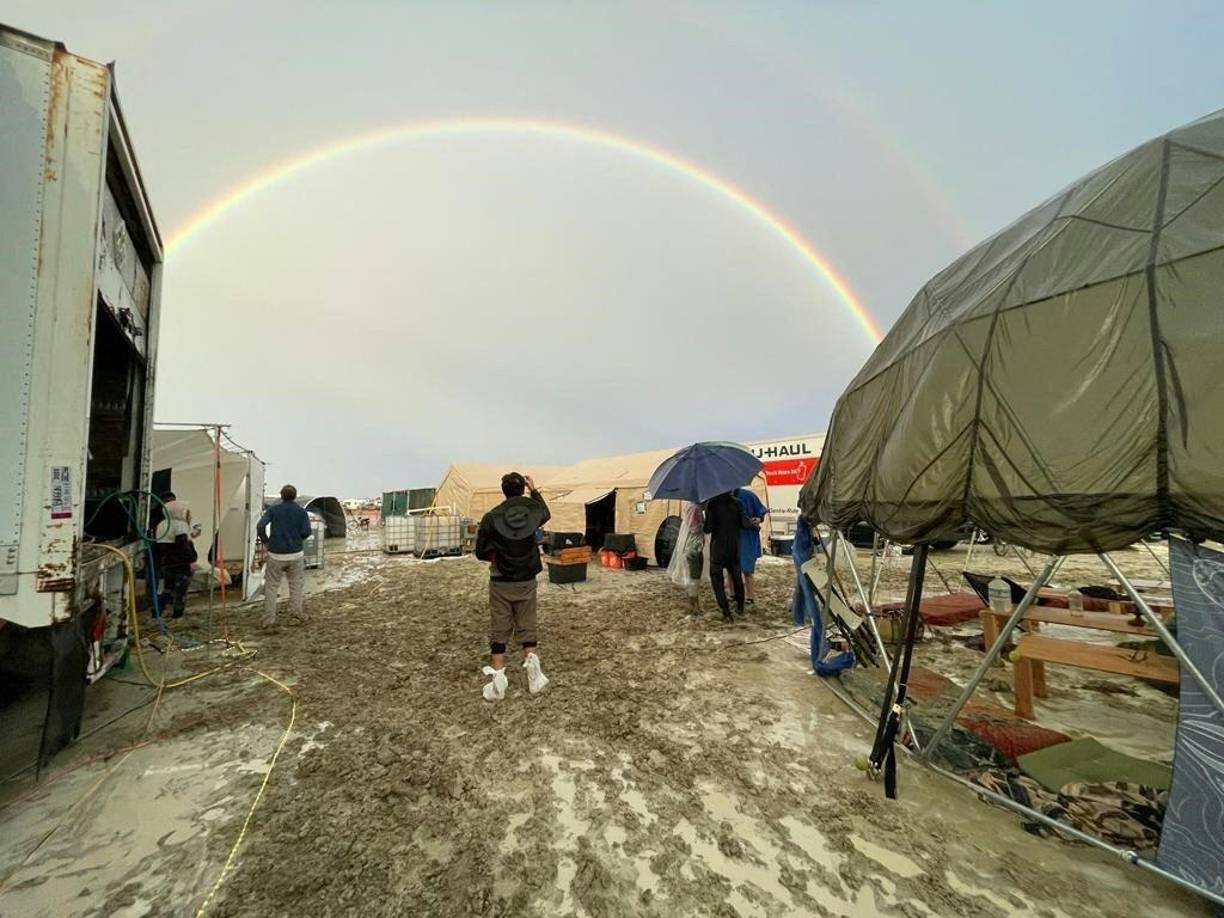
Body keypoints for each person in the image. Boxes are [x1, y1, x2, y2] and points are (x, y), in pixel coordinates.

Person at [474, 473, 551, 701]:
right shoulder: (531, 514)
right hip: (526, 579)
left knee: (499, 629)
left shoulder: (491, 517)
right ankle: (534, 680)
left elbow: (480, 551)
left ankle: (498, 685)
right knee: (528, 626)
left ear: (503, 490)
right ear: (522, 490)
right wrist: (534, 490)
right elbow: (545, 513)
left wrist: (498, 557)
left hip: (500, 581)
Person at [256, 484, 314, 629]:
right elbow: (307, 532)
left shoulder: (273, 510)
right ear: (295, 496)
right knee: (295, 586)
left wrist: (266, 541)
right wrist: (297, 539)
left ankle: (268, 621)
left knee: (271, 587)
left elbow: (260, 526)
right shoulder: (301, 512)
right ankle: (296, 614)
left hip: (276, 554)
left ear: (281, 496)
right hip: (295, 554)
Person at [704, 490, 747, 622]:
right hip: (733, 546)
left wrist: (707, 514)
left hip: (718, 549)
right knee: (736, 576)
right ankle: (740, 605)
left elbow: (707, 529)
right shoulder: (738, 503)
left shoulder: (712, 504)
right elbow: (743, 524)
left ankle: (726, 611)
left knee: (717, 580)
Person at [156, 500, 197, 618]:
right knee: (180, 591)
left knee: (168, 589)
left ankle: (157, 611)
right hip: (180, 564)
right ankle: (177, 614)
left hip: (166, 563)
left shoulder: (162, 525)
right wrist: (191, 560)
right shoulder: (180, 525)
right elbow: (183, 545)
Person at [732, 487, 769, 606]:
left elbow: (761, 512)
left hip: (747, 537)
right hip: (731, 537)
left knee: (747, 570)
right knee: (731, 569)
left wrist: (758, 519)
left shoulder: (748, 495)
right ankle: (732, 594)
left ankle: (750, 596)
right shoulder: (722, 498)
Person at [667, 501, 705, 615]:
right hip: (694, 547)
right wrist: (705, 525)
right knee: (695, 576)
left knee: (693, 576)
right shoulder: (695, 508)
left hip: (691, 546)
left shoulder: (690, 506)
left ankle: (694, 603)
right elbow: (695, 528)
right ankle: (694, 605)